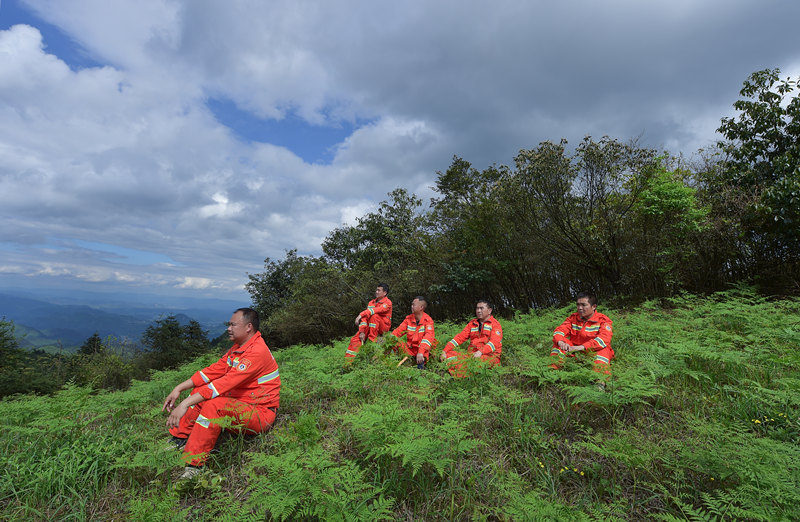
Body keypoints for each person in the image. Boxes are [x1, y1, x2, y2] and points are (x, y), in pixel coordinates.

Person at [162, 308, 280, 479]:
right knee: (199, 392)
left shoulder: (256, 352)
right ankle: (180, 438)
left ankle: (194, 465)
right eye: (228, 324)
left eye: (233, 325)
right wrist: (179, 388)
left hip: (260, 413)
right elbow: (212, 372)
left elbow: (222, 385)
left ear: (248, 327)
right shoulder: (238, 348)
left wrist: (184, 404)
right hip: (242, 404)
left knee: (214, 405)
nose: (228, 328)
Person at [550, 291, 614, 385]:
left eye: (583, 305)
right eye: (578, 305)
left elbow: (603, 339)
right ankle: (552, 374)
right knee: (558, 344)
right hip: (574, 351)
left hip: (592, 351)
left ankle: (600, 382)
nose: (580, 308)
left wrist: (581, 347)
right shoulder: (573, 318)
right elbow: (560, 331)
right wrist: (560, 342)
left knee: (603, 350)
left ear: (594, 307)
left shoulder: (603, 320)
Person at [440, 299, 503, 377]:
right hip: (472, 355)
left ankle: (457, 375)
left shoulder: (495, 324)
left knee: (469, 364)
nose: (478, 311)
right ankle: (456, 371)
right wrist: (445, 351)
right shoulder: (472, 323)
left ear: (489, 310)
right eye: (477, 308)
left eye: (481, 308)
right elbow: (459, 338)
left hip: (490, 356)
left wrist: (480, 352)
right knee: (449, 355)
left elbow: (494, 343)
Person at [344, 283, 393, 359]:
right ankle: (348, 361)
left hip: (383, 327)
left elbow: (376, 310)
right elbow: (365, 318)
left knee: (374, 316)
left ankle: (371, 340)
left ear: (385, 293)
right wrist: (362, 331)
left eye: (379, 290)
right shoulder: (371, 302)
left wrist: (360, 315)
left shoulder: (387, 303)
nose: (376, 292)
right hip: (371, 325)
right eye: (376, 290)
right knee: (355, 339)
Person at [390, 296, 436, 368]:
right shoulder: (408, 319)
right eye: (412, 305)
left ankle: (420, 365)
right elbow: (398, 332)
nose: (411, 306)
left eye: (413, 305)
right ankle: (401, 360)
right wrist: (389, 338)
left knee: (425, 351)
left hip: (422, 350)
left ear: (421, 307)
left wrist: (420, 352)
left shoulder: (428, 320)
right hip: (410, 349)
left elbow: (428, 338)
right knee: (394, 340)